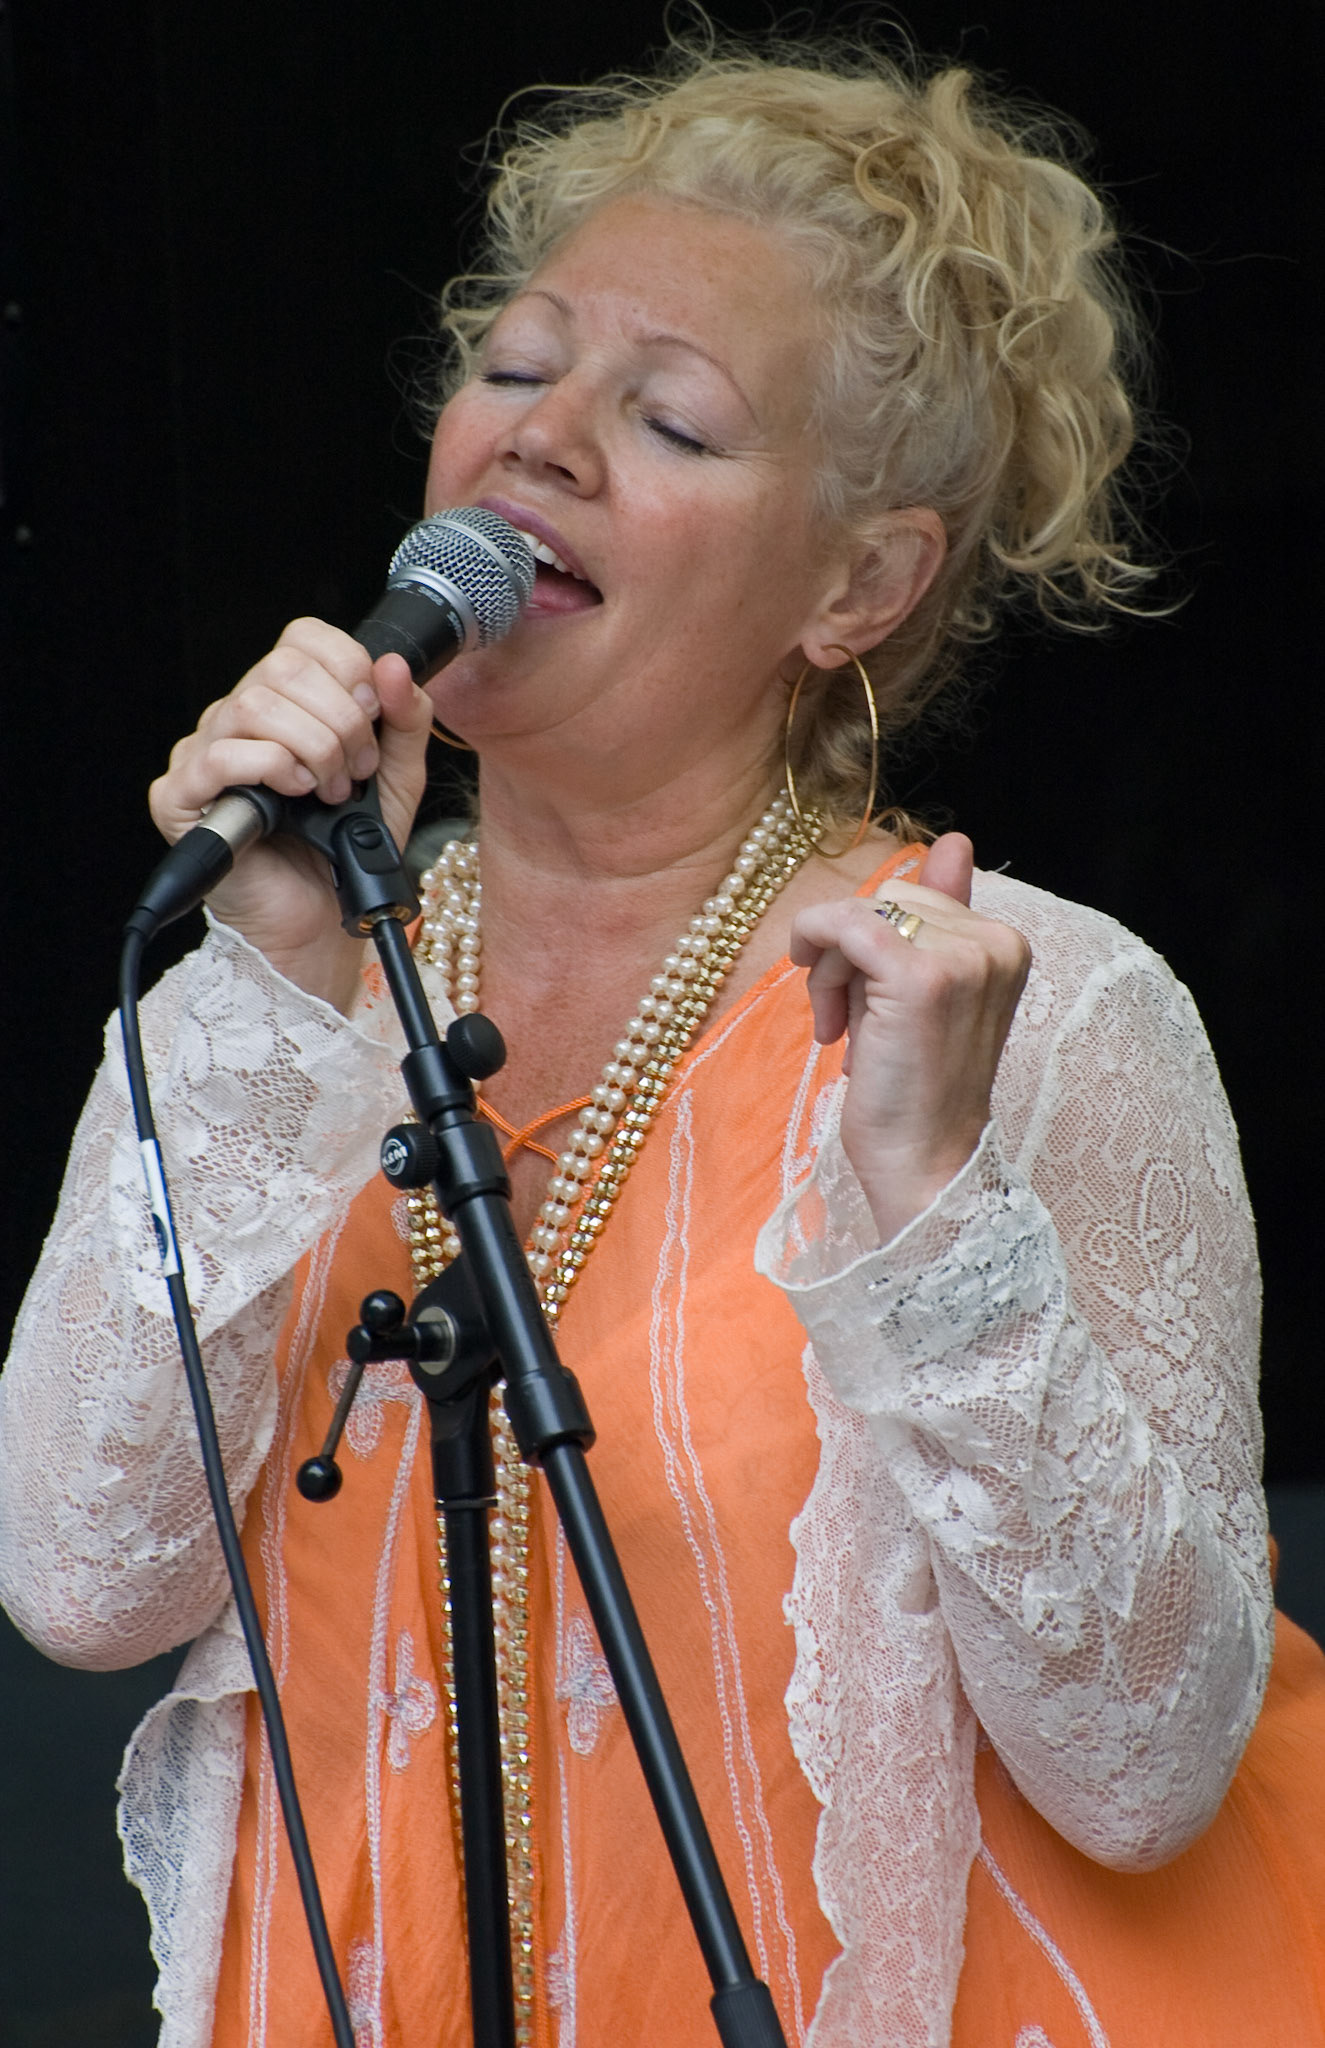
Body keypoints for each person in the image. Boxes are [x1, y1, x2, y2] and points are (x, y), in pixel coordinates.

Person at [2, 33, 1323, 2048]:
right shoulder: (289, 966)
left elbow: (1146, 1772)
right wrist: (263, 983)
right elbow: (82, 1581)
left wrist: (938, 1210)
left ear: (861, 584)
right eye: (517, 371)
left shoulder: (1033, 1005)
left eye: (674, 420)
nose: (543, 441)